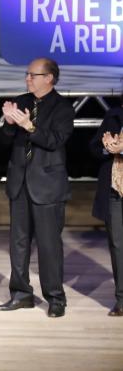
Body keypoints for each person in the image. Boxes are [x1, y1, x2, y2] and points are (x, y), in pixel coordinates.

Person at [0, 58, 73, 318]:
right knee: (18, 243)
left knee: (49, 245)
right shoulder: (21, 101)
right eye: (27, 74)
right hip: (19, 183)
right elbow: (2, 141)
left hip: (48, 185)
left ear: (49, 78)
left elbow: (55, 140)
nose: (27, 78)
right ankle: (21, 294)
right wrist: (8, 123)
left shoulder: (63, 107)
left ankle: (55, 298)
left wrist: (29, 126)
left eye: (32, 75)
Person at [91, 91, 123, 316]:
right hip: (115, 190)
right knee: (118, 245)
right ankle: (122, 300)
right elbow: (94, 146)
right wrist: (107, 148)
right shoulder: (114, 115)